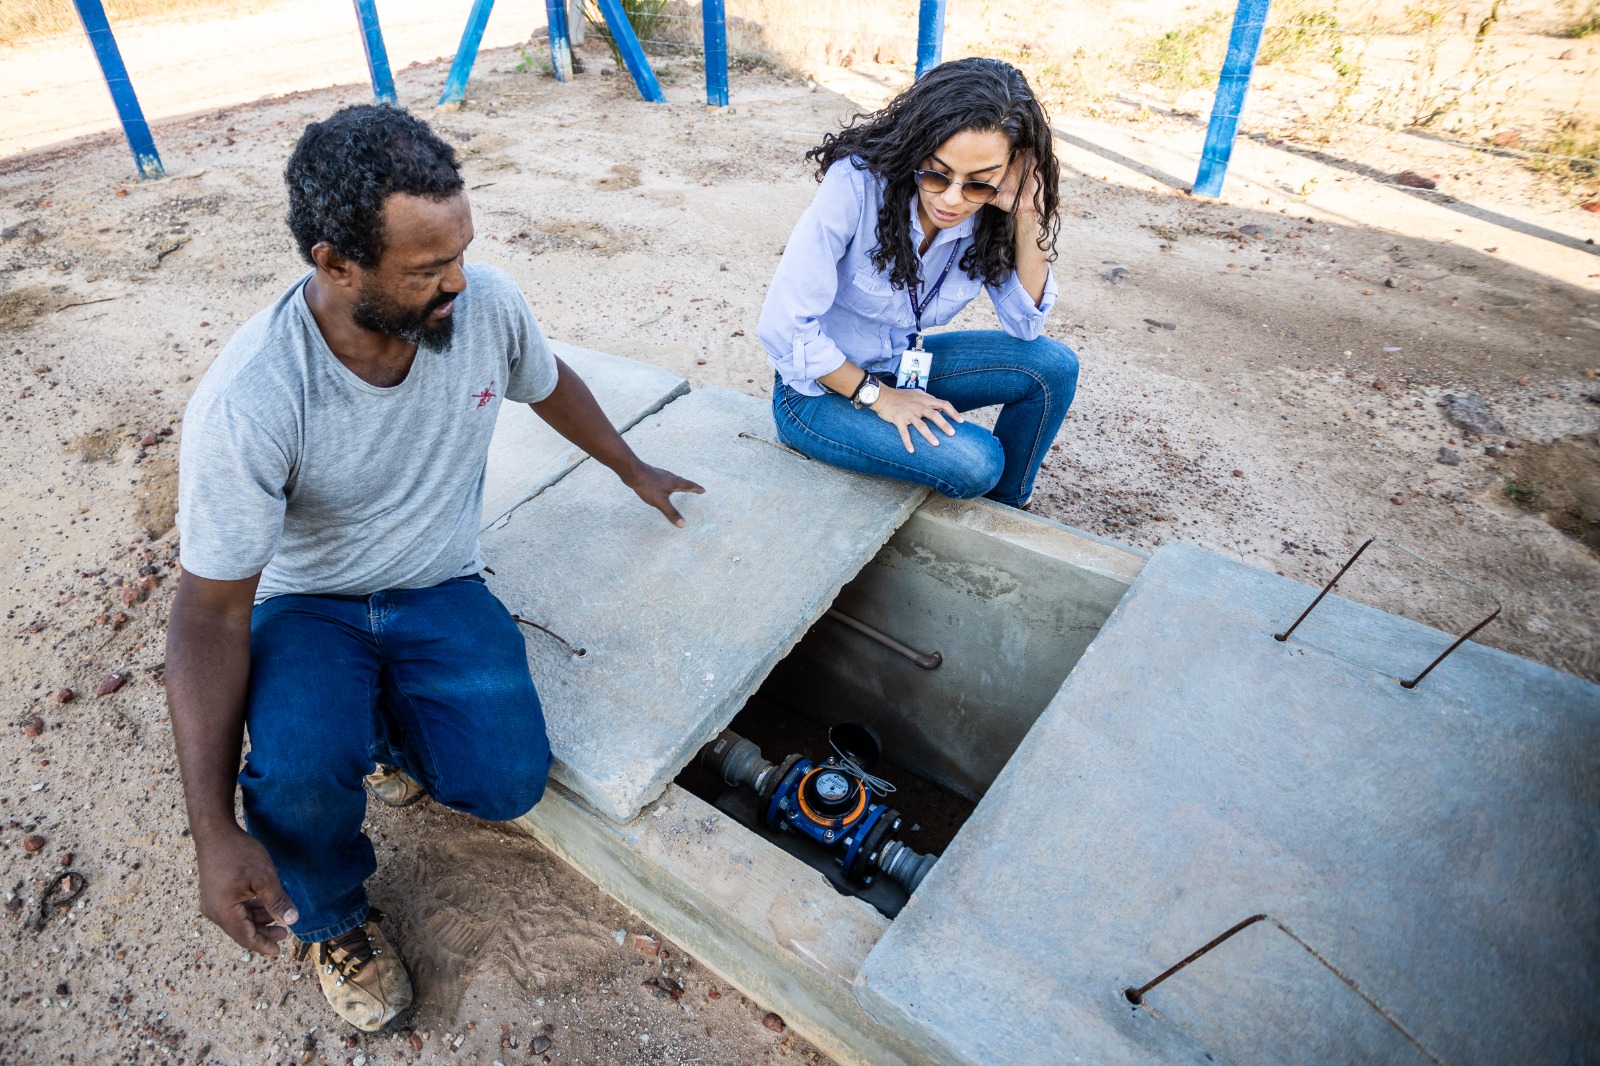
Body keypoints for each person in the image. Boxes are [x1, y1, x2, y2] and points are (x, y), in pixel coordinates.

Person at [165, 104, 703, 1035]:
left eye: (461, 254)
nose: (457, 282)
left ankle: (376, 730)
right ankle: (333, 917)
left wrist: (632, 466)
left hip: (439, 582)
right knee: (300, 772)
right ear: (336, 264)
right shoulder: (252, 399)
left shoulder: (481, 305)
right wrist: (213, 829)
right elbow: (207, 617)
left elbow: (548, 380)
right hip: (309, 606)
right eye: (425, 270)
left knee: (504, 785)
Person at [759, 58, 1078, 508]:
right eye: (936, 173)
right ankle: (967, 481)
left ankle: (1007, 509)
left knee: (1053, 367)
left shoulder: (995, 208)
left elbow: (1025, 324)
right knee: (977, 462)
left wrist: (1026, 212)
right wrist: (880, 396)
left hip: (903, 366)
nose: (952, 200)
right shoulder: (857, 185)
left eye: (978, 183)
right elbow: (783, 328)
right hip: (819, 392)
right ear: (916, 147)